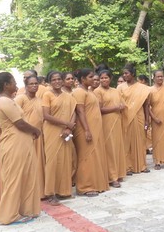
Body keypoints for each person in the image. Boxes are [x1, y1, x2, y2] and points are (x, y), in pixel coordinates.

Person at [0, 72, 41, 224]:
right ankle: (8, 216)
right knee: (14, 179)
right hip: (14, 143)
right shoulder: (4, 101)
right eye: (13, 82)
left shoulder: (8, 100)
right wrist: (35, 130)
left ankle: (25, 209)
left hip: (20, 142)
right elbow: (19, 123)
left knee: (25, 176)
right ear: (6, 85)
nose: (16, 84)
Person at [41, 71, 77, 205]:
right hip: (52, 131)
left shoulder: (68, 96)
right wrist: (66, 123)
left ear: (62, 80)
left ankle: (64, 191)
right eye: (53, 80)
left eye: (59, 79)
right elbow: (46, 115)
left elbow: (73, 113)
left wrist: (69, 128)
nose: (57, 82)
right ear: (49, 82)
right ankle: (51, 193)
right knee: (52, 162)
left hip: (66, 132)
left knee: (65, 160)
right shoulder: (47, 95)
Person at [72, 69, 109, 196]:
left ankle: (95, 183)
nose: (93, 79)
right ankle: (85, 187)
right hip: (85, 128)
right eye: (90, 77)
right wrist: (86, 129)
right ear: (83, 79)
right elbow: (80, 111)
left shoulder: (89, 91)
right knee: (86, 157)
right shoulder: (79, 92)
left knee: (94, 156)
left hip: (95, 128)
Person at [94, 70, 126, 188]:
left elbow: (122, 104)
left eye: (106, 77)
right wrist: (115, 108)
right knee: (109, 149)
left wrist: (121, 107)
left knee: (117, 147)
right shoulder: (97, 91)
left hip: (117, 122)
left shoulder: (115, 91)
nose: (104, 80)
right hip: (105, 123)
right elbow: (99, 109)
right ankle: (112, 177)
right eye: (102, 78)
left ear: (110, 78)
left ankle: (119, 173)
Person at [15, 75, 46, 199]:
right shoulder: (20, 99)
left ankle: (40, 191)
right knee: (26, 164)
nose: (34, 86)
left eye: (36, 83)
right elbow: (16, 119)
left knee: (39, 164)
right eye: (31, 84)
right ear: (26, 86)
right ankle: (26, 193)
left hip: (39, 136)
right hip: (25, 136)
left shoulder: (40, 100)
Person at [119, 63, 151, 174]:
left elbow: (146, 105)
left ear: (132, 74)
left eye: (126, 73)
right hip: (125, 117)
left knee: (141, 140)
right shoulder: (120, 88)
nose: (124, 75)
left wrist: (147, 120)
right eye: (123, 74)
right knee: (126, 142)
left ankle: (142, 165)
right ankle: (127, 167)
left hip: (139, 116)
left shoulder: (143, 88)